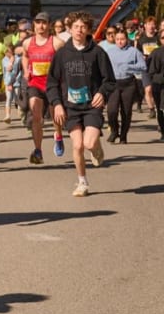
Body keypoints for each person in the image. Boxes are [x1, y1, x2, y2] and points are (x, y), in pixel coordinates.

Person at [47, 12, 115, 197]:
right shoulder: (62, 54)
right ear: (69, 29)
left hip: (91, 105)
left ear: (88, 30)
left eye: (83, 27)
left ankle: (96, 148)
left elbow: (109, 80)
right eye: (76, 27)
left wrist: (102, 92)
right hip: (70, 107)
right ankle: (82, 182)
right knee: (77, 146)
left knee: (89, 143)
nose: (79, 30)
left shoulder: (97, 52)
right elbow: (52, 82)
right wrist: (57, 104)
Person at [22, 13, 61, 163]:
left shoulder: (56, 43)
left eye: (44, 23)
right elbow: (25, 56)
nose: (41, 26)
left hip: (52, 85)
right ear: (34, 25)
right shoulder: (27, 43)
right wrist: (26, 70)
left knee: (55, 116)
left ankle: (57, 134)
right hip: (35, 84)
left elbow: (63, 60)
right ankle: (38, 150)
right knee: (36, 115)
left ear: (49, 25)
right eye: (38, 23)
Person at [101, 27, 145, 144]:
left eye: (122, 39)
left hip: (128, 83)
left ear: (127, 39)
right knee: (112, 110)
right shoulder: (109, 52)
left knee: (126, 111)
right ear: (115, 40)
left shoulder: (133, 51)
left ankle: (123, 136)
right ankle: (114, 131)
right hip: (114, 84)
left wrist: (130, 67)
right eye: (118, 39)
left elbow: (143, 66)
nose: (120, 41)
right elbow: (103, 67)